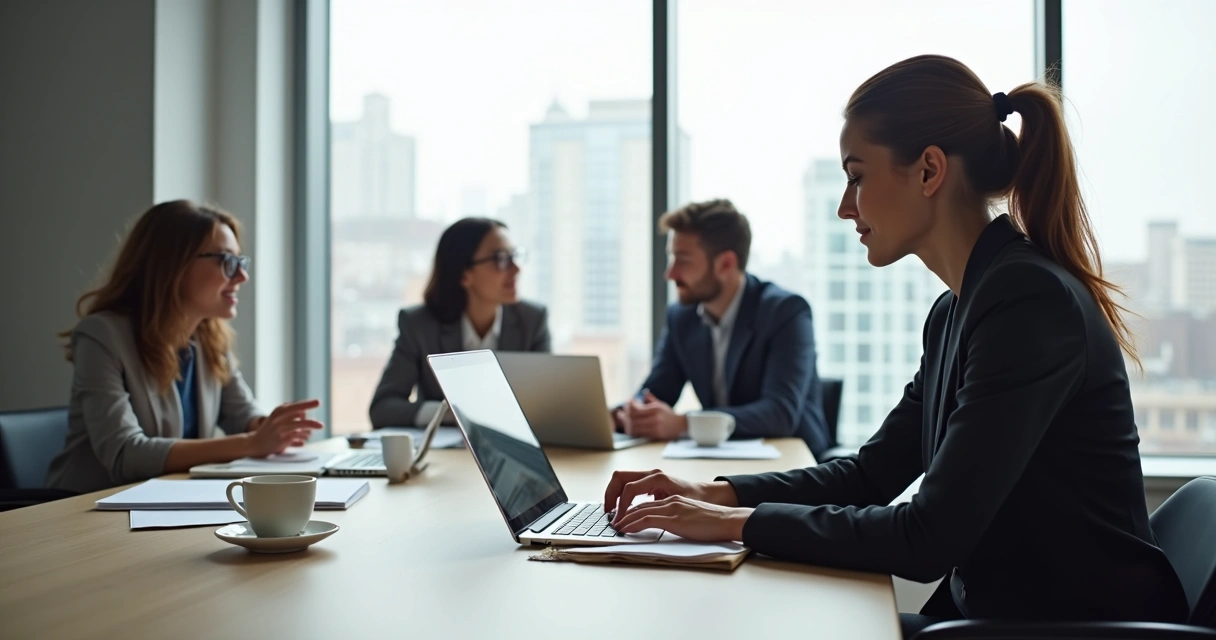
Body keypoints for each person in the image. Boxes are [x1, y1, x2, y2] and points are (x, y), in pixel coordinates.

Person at [602, 55, 1189, 636]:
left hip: (1070, 629)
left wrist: (734, 523)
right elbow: (871, 474)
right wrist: (714, 493)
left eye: (857, 176)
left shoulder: (1027, 301)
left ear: (930, 171)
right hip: (997, 615)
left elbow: (926, 538)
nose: (844, 206)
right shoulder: (959, 307)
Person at [47, 200, 323, 494]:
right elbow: (125, 454)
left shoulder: (208, 338)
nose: (242, 277)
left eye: (241, 263)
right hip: (85, 512)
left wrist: (268, 427)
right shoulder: (102, 335)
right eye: (227, 261)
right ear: (173, 264)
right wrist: (253, 443)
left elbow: (241, 416)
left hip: (169, 501)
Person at [613, 199, 830, 458]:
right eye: (671, 258)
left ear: (726, 264)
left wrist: (684, 424)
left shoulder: (786, 312)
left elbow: (779, 414)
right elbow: (657, 392)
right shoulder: (682, 316)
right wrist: (625, 414)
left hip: (792, 466)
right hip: (717, 462)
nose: (670, 274)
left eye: (682, 260)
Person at [369, 217, 550, 428]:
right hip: (444, 456)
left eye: (515, 256)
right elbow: (382, 408)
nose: (516, 269)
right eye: (500, 259)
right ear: (464, 274)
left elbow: (546, 405)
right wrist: (449, 414)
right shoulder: (419, 325)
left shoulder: (532, 320)